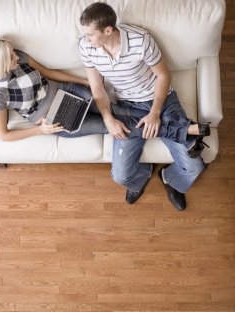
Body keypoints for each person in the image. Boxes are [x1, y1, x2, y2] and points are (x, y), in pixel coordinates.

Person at [79, 2, 210, 210]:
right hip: (126, 106)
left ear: (108, 30)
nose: (85, 39)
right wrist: (108, 118)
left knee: (195, 167)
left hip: (160, 101)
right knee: (120, 176)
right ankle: (144, 173)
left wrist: (155, 113)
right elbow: (97, 87)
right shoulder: (86, 47)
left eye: (90, 35)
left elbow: (163, 75)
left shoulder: (140, 40)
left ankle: (169, 178)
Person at [0, 38, 108, 142]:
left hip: (67, 91)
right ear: (0, 64)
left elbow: (48, 72)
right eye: (11, 57)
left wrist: (86, 82)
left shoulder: (19, 59)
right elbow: (4, 135)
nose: (16, 57)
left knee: (113, 112)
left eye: (13, 53)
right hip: (55, 120)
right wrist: (40, 130)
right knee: (107, 126)